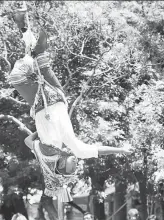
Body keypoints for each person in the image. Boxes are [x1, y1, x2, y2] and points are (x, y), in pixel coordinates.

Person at [10, 5, 131, 161]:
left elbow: (28, 141)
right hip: (53, 98)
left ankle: (26, 30)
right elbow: (96, 150)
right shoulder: (73, 146)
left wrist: (39, 134)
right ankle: (34, 32)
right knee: (37, 62)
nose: (69, 157)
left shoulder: (51, 153)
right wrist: (120, 149)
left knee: (23, 72)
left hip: (41, 103)